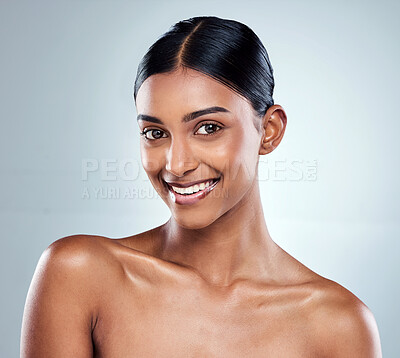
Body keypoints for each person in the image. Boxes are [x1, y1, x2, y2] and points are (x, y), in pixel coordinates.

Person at [21, 16, 382, 357]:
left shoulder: (338, 325)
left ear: (269, 131)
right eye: (155, 133)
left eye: (208, 128)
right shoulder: (79, 276)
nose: (177, 165)